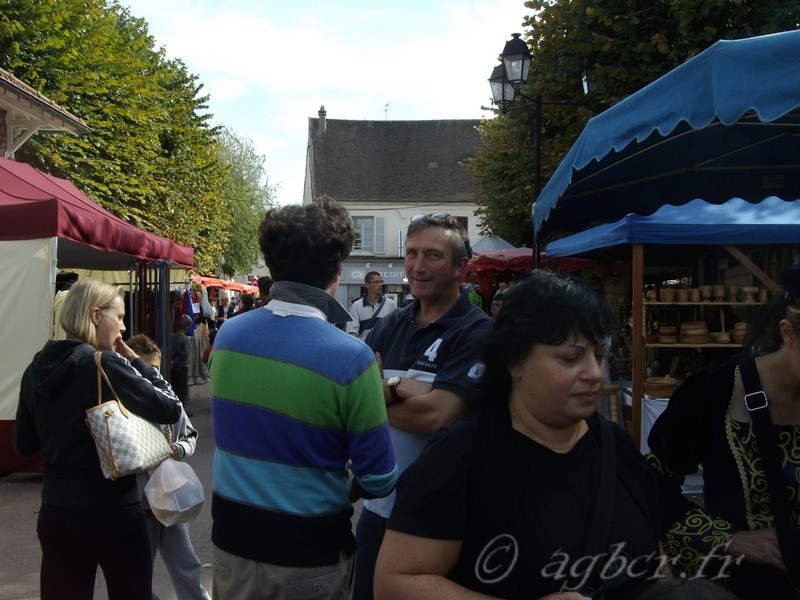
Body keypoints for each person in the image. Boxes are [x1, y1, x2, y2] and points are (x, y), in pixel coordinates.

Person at [374, 272, 664, 599]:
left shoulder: (617, 445)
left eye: (598, 356)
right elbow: (395, 583)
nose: (595, 374)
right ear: (515, 362)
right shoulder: (462, 454)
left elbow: (655, 558)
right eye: (570, 358)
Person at [208, 197, 398, 600]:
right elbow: (379, 479)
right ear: (337, 270)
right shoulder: (351, 357)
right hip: (309, 554)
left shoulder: (228, 338)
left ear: (272, 266)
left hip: (231, 544)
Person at [14, 278, 181, 600]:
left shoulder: (36, 368)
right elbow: (170, 408)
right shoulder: (105, 363)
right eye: (118, 317)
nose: (122, 327)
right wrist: (136, 361)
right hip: (112, 508)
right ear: (95, 316)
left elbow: (24, 445)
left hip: (56, 510)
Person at [353, 212, 492, 599]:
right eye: (411, 254)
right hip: (378, 512)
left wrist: (382, 388)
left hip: (440, 521)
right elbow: (352, 398)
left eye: (432, 255)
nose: (418, 266)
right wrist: (407, 390)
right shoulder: (390, 324)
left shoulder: (477, 331)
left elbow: (438, 416)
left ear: (461, 267)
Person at [647, 264, 800, 599]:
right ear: (788, 333)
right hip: (740, 587)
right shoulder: (714, 392)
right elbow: (652, 486)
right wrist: (726, 538)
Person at [126, 334, 211, 600]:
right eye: (145, 370)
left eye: (155, 369)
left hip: (170, 496)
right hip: (140, 501)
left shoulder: (168, 400)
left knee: (186, 562)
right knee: (141, 568)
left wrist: (179, 449)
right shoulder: (124, 404)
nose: (151, 377)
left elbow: (190, 435)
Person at [347, 271, 398, 340]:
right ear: (367, 285)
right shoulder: (357, 305)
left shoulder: (390, 304)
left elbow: (395, 329)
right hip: (365, 347)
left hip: (384, 349)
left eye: (381, 282)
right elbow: (352, 331)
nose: (380, 284)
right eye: (376, 282)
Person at [168, 314, 193, 417]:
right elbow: (185, 353)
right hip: (181, 367)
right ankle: (182, 411)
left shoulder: (171, 337)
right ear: (187, 327)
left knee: (173, 388)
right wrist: (176, 361)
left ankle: (174, 408)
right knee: (182, 390)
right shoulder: (186, 339)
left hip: (172, 367)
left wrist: (172, 361)